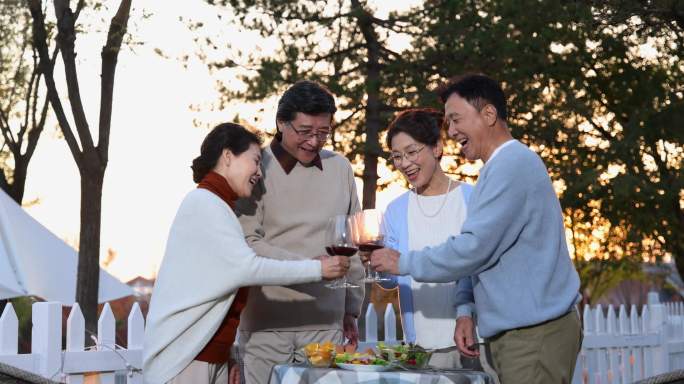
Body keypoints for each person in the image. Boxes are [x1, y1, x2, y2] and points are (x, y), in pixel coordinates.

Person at [371, 74, 582, 384]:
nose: (452, 130)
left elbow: (473, 249)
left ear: (488, 114)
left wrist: (401, 262)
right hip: (524, 334)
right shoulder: (501, 167)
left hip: (533, 336)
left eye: (456, 119)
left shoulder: (510, 165)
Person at [143, 123, 351, 384]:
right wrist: (317, 269)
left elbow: (214, 292)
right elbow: (247, 269)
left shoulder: (219, 206)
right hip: (185, 359)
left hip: (207, 356)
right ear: (228, 156)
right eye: (255, 161)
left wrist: (227, 353)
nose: (259, 173)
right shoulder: (203, 203)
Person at [235, 80, 365, 384]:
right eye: (305, 131)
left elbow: (354, 241)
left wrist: (352, 309)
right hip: (264, 325)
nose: (314, 141)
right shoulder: (255, 167)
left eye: (323, 132)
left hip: (325, 324)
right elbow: (247, 242)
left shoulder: (340, 169)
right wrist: (313, 268)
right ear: (281, 123)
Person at [375, 108, 476, 369]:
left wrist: (467, 313)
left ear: (437, 148)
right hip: (422, 347)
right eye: (397, 156)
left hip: (475, 338)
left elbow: (479, 266)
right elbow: (390, 281)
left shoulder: (471, 198)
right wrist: (376, 261)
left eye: (411, 152)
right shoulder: (396, 210)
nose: (404, 163)